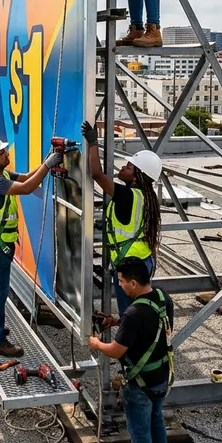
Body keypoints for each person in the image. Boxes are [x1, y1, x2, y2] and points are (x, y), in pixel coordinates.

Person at [89, 258, 173, 443]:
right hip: (160, 377)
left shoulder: (135, 313)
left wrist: (96, 343)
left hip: (139, 383)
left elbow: (116, 350)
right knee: (156, 421)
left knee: (140, 434)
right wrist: (117, 321)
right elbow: (147, 327)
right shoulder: (161, 297)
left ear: (134, 283)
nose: (121, 286)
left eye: (123, 282)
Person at [0, 134, 64, 357]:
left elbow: (25, 179)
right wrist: (49, 164)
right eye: (2, 153)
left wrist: (46, 161)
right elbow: (26, 189)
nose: (7, 154)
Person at [81, 122, 162, 316]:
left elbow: (96, 174)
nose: (123, 167)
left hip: (131, 265)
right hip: (141, 260)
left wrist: (93, 142)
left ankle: (134, 345)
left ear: (137, 177)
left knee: (132, 313)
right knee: (139, 310)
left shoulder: (128, 195)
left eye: (128, 167)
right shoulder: (146, 196)